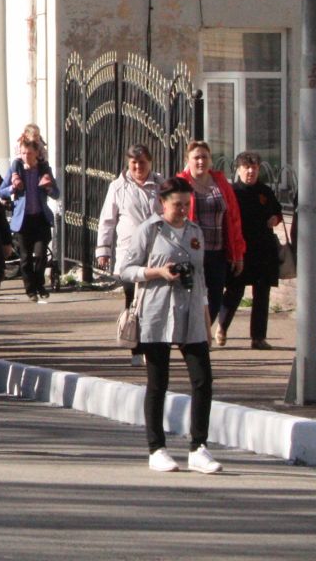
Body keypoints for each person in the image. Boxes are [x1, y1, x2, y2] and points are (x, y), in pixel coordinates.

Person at [117, 179, 222, 474]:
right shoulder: (150, 230)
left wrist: (205, 316)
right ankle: (156, 448)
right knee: (158, 382)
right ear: (163, 203)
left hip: (190, 312)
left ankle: (198, 447)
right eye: (178, 204)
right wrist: (157, 272)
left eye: (187, 204)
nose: (183, 210)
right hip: (157, 312)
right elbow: (126, 269)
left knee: (202, 380)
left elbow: (200, 277)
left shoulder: (195, 232)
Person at [96, 144, 163, 357]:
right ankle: (134, 345)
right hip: (129, 253)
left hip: (155, 253)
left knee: (152, 300)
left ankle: (151, 347)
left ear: (150, 162)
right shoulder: (118, 187)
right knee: (132, 298)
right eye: (134, 163)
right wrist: (103, 250)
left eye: (142, 162)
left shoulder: (161, 185)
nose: (138, 167)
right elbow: (107, 220)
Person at [174, 141, 244, 335]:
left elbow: (234, 218)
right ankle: (190, 335)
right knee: (191, 296)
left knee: (214, 297)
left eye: (204, 157)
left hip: (218, 251)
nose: (201, 161)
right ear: (188, 160)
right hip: (191, 251)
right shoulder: (181, 184)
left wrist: (237, 254)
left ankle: (201, 335)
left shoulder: (220, 183)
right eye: (196, 157)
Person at [224, 152, 283, 351]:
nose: (251, 171)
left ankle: (258, 337)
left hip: (263, 250)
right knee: (235, 291)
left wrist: (275, 218)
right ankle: (222, 327)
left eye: (255, 168)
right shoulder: (232, 192)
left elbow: (277, 211)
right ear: (239, 169)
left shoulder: (265, 191)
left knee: (262, 294)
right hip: (241, 249)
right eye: (247, 167)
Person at [0, 128, 59, 301]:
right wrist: (13, 188)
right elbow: (0, 191)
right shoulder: (16, 169)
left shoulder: (43, 169)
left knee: (41, 254)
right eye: (23, 153)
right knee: (25, 258)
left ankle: (40, 284)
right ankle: (30, 290)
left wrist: (48, 187)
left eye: (29, 153)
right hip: (23, 220)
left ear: (36, 153)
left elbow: (56, 193)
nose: (26, 156)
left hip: (40, 218)